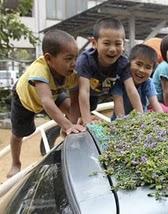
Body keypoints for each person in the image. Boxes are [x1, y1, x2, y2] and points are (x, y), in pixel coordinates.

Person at [7, 30, 86, 178]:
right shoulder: (40, 69)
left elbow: (75, 101)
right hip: (26, 99)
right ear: (49, 59)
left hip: (53, 93)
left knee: (69, 107)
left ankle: (64, 135)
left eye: (76, 58)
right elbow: (46, 101)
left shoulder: (70, 72)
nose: (74, 63)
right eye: (69, 58)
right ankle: (15, 163)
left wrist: (73, 124)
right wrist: (67, 125)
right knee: (19, 133)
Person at [76, 18, 143, 125]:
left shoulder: (123, 63)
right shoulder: (85, 61)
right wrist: (87, 121)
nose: (112, 49)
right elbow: (84, 92)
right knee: (77, 117)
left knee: (93, 107)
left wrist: (141, 117)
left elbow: (131, 90)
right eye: (107, 43)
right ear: (94, 43)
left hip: (99, 93)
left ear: (123, 45)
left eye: (117, 44)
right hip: (78, 92)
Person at [111, 44, 163, 119]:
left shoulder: (148, 83)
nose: (142, 70)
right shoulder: (119, 83)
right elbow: (120, 115)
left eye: (148, 67)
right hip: (121, 123)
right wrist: (124, 126)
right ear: (128, 64)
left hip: (141, 121)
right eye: (138, 64)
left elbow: (155, 104)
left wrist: (163, 120)